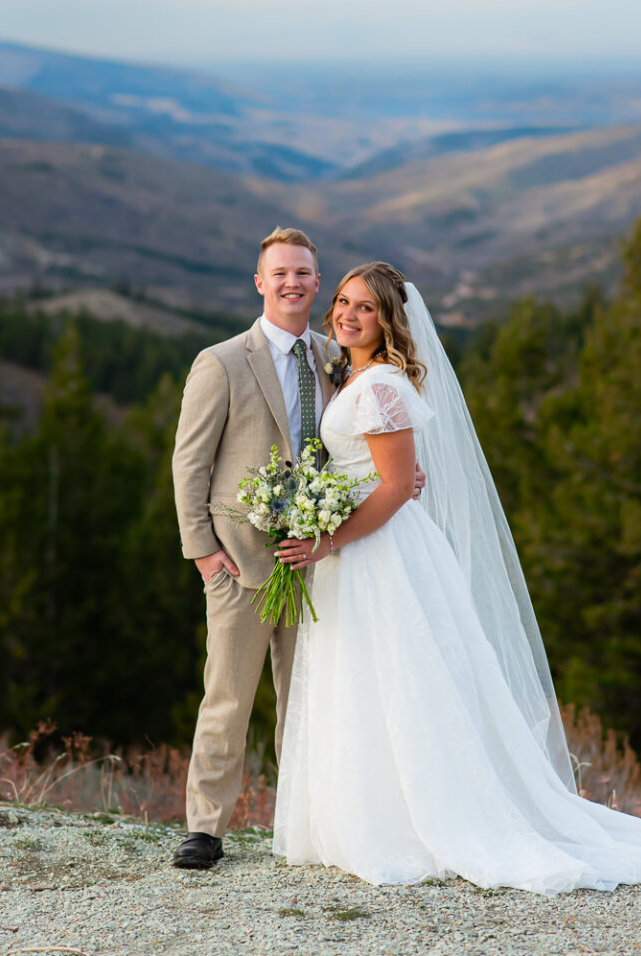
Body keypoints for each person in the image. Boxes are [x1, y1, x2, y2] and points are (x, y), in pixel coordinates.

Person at [273, 262, 641, 893]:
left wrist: (327, 541)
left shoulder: (380, 388)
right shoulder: (356, 375)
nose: (348, 314)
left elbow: (399, 486)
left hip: (380, 554)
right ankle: (370, 818)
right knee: (367, 679)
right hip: (363, 550)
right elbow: (382, 475)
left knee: (403, 681)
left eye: (366, 307)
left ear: (390, 319)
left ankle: (419, 822)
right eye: (343, 301)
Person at [171, 230, 427, 870]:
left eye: (305, 274)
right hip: (240, 563)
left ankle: (302, 823)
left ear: (317, 284)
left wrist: (394, 479)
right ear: (259, 282)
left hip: (322, 563)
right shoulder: (222, 361)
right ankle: (204, 829)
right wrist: (202, 553)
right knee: (227, 699)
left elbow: (366, 442)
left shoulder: (336, 356)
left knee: (308, 700)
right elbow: (190, 464)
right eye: (279, 272)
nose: (293, 282)